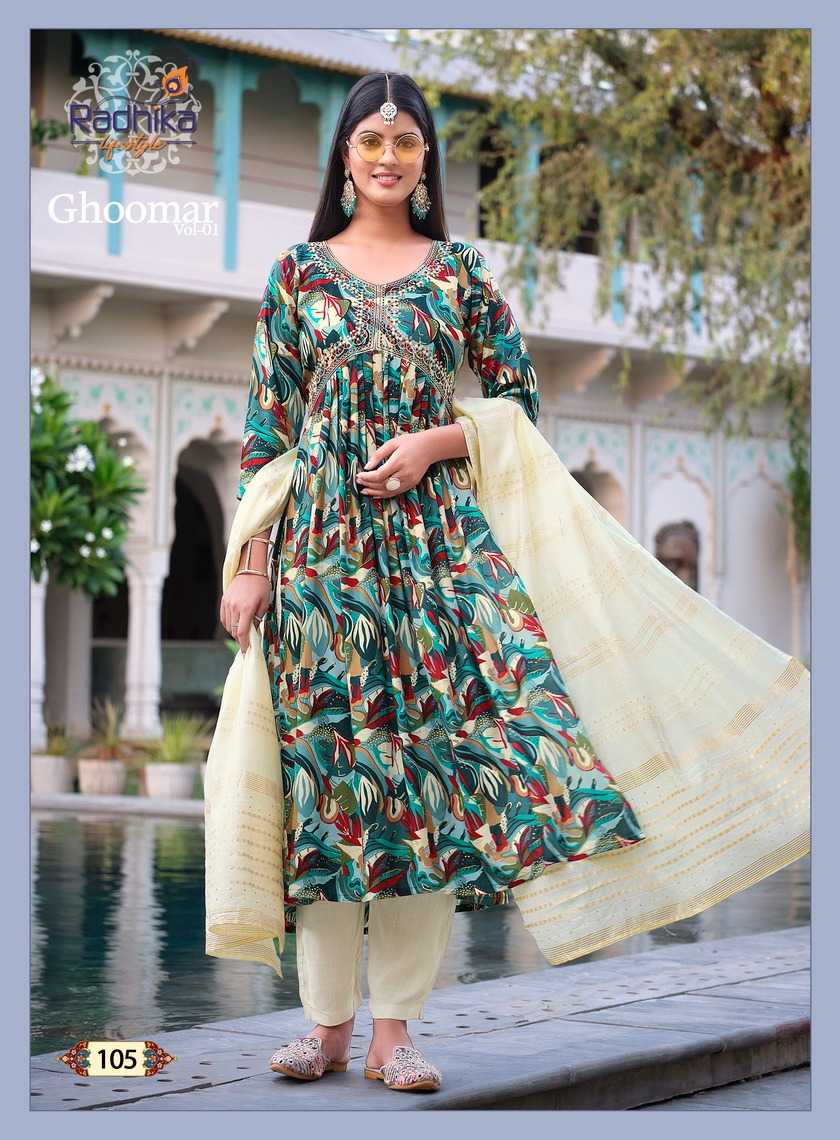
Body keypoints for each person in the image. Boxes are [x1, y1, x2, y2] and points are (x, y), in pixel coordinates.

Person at [218, 71, 652, 1092]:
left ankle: (395, 1032)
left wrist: (435, 443)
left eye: (405, 141)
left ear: (426, 160)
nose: (387, 156)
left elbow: (519, 404)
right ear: (344, 154)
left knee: (424, 783)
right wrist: (250, 565)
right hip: (320, 557)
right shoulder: (298, 275)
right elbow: (266, 431)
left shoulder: (458, 273)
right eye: (370, 139)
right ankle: (326, 1027)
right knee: (327, 777)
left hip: (436, 558)